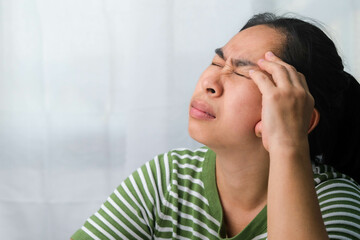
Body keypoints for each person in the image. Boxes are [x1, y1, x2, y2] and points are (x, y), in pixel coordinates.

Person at [71, 13, 360, 240]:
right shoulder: (170, 177)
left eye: (241, 72)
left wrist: (287, 142)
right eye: (216, 61)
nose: (208, 83)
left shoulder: (336, 202)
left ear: (301, 116)